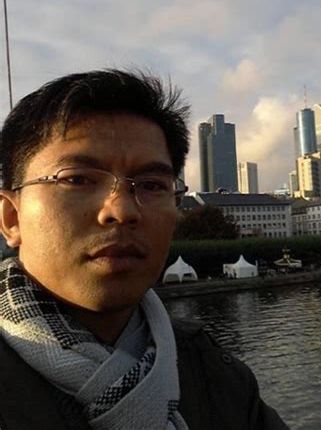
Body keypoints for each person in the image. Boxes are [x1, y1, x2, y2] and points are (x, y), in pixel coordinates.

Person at [0, 70, 288, 430]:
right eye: (77, 179)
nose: (122, 210)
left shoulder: (218, 377)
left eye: (152, 185)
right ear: (12, 218)